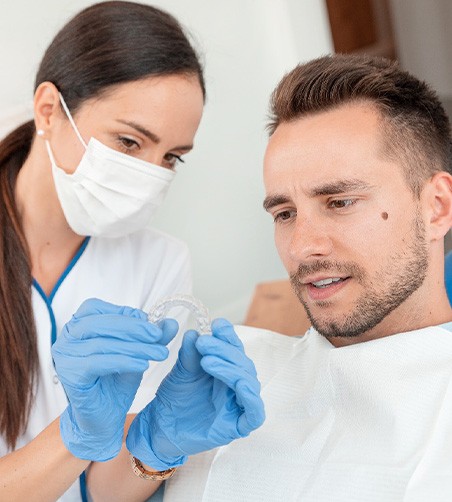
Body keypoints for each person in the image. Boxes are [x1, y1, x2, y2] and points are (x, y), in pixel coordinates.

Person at [0, 2, 264, 501]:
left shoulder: (160, 261)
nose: (149, 174)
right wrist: (74, 434)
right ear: (49, 110)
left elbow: (105, 492)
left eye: (171, 157)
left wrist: (159, 445)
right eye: (128, 142)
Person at [161, 54, 452, 501]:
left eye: (339, 202)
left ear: (436, 207)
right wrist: (149, 452)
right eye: (284, 213)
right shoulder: (232, 379)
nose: (301, 247)